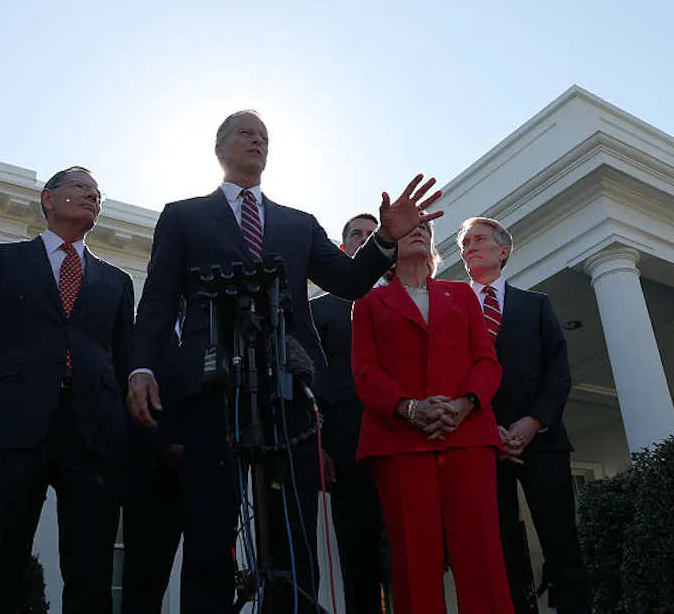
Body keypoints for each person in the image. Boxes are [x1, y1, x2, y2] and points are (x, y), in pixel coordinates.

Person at [126, 109, 442, 613]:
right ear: (220, 148)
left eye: (265, 137)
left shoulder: (298, 224)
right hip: (210, 387)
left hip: (289, 387)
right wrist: (142, 368)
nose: (258, 142)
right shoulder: (182, 215)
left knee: (294, 531)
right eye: (247, 134)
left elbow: (348, 281)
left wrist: (385, 241)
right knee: (210, 528)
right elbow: (160, 301)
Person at [0, 166, 134, 614]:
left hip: (93, 433)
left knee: (90, 568)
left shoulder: (117, 281)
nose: (91, 195)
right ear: (48, 198)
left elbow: (121, 358)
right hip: (11, 428)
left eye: (97, 192)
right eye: (79, 186)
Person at [352, 221, 512, 614]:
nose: (419, 230)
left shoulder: (461, 294)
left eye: (425, 226)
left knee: (483, 557)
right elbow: (365, 372)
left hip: (468, 436)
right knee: (414, 562)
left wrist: (464, 405)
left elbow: (486, 361)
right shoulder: (369, 303)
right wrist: (410, 409)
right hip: (400, 442)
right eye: (408, 226)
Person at [457, 217, 590, 614]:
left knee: (562, 545)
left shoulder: (536, 304)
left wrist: (532, 422)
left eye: (478, 240)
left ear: (503, 251)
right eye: (464, 244)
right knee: (500, 553)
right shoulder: (451, 308)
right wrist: (487, 429)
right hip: (481, 444)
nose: (469, 248)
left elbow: (559, 371)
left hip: (543, 441)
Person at [310, 212, 389, 614]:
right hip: (348, 444)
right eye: (357, 234)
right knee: (358, 555)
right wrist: (320, 444)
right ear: (344, 249)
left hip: (408, 438)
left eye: (373, 234)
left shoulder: (411, 298)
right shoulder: (318, 311)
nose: (365, 238)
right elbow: (315, 383)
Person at [120, 329, 184, 614]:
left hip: (210, 474)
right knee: (144, 586)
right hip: (154, 477)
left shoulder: (219, 330)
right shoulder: (140, 339)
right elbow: (125, 399)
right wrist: (164, 449)